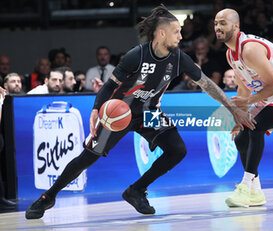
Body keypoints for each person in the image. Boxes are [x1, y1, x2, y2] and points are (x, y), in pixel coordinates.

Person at [25, 5, 255, 219]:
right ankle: (48, 197)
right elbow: (109, 86)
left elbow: (207, 84)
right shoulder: (137, 55)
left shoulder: (178, 58)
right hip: (119, 114)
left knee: (177, 150)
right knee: (88, 157)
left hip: (148, 114)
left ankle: (136, 190)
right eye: (176, 32)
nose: (181, 37)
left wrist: (232, 108)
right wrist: (97, 109)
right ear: (162, 34)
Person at [214, 9, 273, 207]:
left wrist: (249, 102)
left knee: (255, 126)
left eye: (223, 23)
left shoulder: (249, 49)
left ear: (236, 26)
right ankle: (256, 192)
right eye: (215, 23)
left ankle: (245, 187)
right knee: (241, 138)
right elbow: (242, 86)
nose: (217, 27)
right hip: (271, 93)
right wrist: (238, 117)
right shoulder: (230, 55)